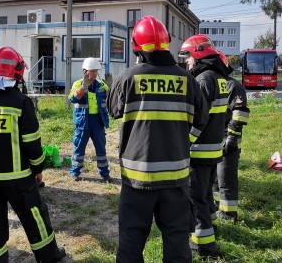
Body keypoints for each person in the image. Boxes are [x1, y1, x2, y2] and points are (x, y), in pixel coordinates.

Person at [107, 16, 209, 262]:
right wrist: (185, 142)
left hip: (137, 180)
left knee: (131, 244)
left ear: (137, 47)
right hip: (175, 179)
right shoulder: (188, 80)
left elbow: (113, 110)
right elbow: (202, 119)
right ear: (166, 44)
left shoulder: (127, 77)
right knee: (177, 242)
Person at [0, 46, 67, 263]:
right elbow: (32, 142)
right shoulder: (21, 102)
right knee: (35, 217)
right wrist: (38, 168)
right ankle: (48, 257)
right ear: (17, 71)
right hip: (18, 178)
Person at [178, 36, 247, 257]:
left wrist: (183, 143)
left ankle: (203, 245)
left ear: (197, 54)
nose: (187, 61)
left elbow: (199, 120)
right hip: (213, 149)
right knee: (206, 194)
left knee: (196, 198)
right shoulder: (218, 77)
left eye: (188, 56)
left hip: (199, 151)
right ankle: (212, 226)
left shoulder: (203, 80)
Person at [211, 51, 249, 222]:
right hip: (214, 140)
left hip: (228, 141)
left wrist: (232, 137)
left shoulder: (233, 86)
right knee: (215, 180)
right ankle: (217, 207)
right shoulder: (215, 84)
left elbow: (239, 113)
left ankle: (228, 214)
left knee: (226, 179)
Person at [68, 57, 111, 183]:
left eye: (96, 71)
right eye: (92, 71)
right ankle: (75, 172)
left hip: (98, 121)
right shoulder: (77, 84)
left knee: (101, 149)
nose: (94, 73)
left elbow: (112, 99)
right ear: (85, 71)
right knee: (79, 147)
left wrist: (112, 87)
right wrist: (82, 89)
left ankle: (105, 174)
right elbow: (72, 99)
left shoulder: (102, 85)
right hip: (83, 122)